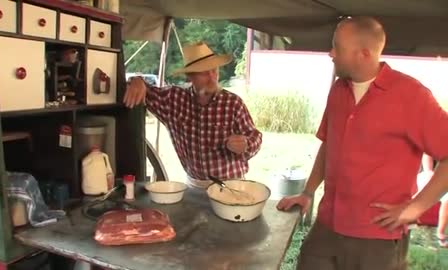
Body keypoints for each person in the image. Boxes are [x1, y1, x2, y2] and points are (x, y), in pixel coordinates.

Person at [276, 16, 448, 270]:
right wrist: (308, 192)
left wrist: (416, 207)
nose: (331, 53)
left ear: (364, 54)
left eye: (338, 47)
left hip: (375, 237)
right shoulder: (338, 90)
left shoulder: (411, 95)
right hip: (327, 225)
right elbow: (329, 145)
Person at [124, 42, 262, 188]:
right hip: (194, 186)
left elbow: (255, 137)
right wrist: (137, 81)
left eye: (214, 70)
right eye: (204, 72)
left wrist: (246, 144)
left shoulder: (232, 103)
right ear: (190, 76)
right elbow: (143, 89)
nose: (212, 76)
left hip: (231, 186)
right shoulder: (173, 99)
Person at [418, 154, 448, 247]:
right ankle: (441, 233)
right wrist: (428, 171)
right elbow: (427, 153)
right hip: (431, 176)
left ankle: (441, 231)